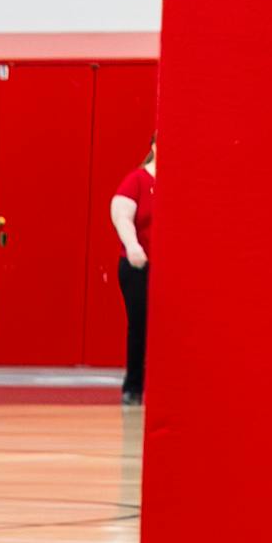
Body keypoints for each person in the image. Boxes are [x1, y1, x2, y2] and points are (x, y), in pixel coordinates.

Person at [111, 143, 158, 401]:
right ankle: (133, 388)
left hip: (167, 272)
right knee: (139, 325)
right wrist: (133, 246)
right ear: (154, 146)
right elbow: (121, 214)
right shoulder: (137, 180)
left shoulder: (179, 183)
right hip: (138, 266)